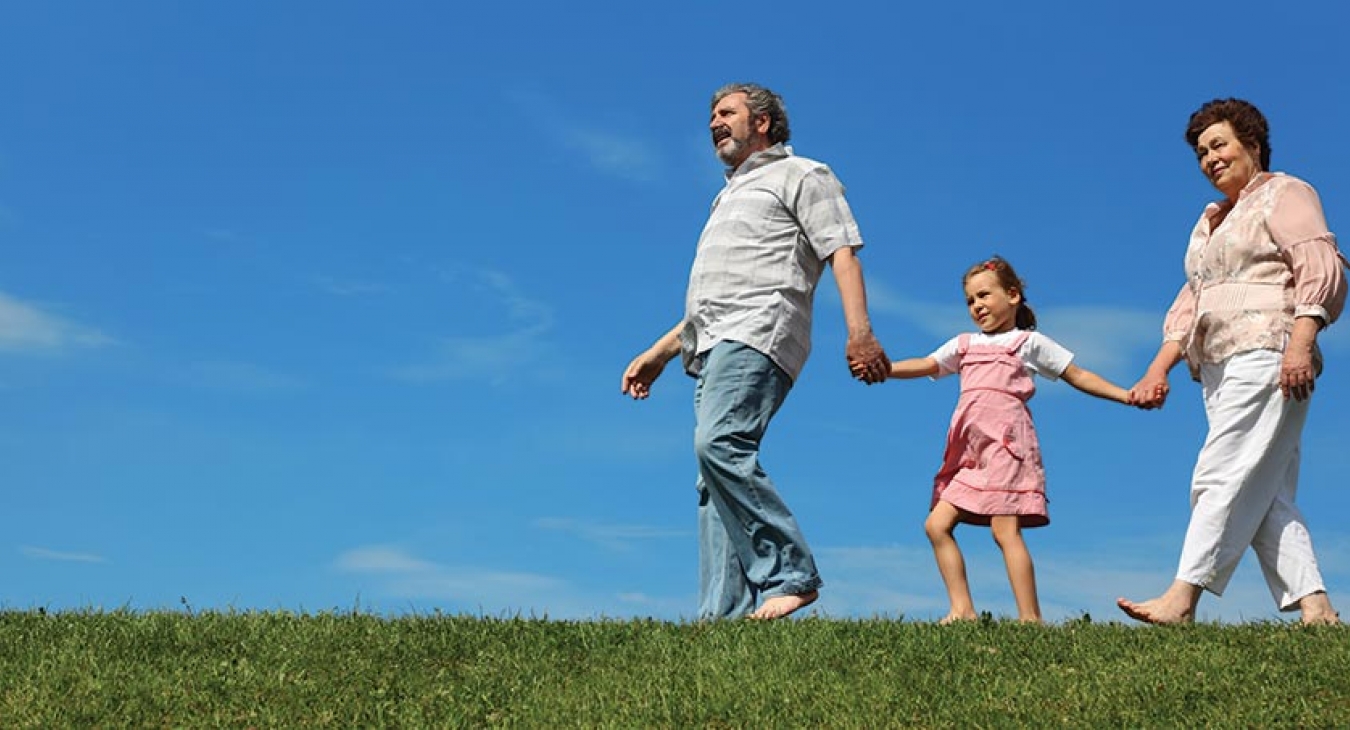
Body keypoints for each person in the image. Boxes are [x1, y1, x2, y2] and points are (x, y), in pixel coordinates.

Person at [621, 82, 890, 621]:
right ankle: (721, 618)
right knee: (714, 477)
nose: (714, 121)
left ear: (762, 122)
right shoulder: (727, 196)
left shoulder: (804, 175)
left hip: (760, 331)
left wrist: (860, 332)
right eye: (711, 114)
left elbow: (842, 253)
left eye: (727, 112)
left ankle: (792, 571)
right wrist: (660, 352)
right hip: (715, 340)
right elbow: (716, 300)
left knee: (719, 444)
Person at [1118, 98, 1347, 626]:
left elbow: (1319, 263)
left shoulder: (1286, 193)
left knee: (1218, 474)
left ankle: (1183, 597)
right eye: (1201, 152)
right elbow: (1192, 301)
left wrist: (1300, 341)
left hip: (1269, 348)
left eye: (1219, 144)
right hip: (1219, 364)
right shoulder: (1212, 222)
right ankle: (1317, 609)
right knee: (1262, 490)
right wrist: (1159, 367)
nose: (1209, 158)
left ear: (1253, 144)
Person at [878, 256, 1135, 623]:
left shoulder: (1027, 343)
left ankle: (1030, 619)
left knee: (1004, 529)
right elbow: (927, 364)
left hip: (1006, 447)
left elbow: (1077, 375)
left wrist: (1125, 395)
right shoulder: (964, 344)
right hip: (969, 454)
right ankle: (962, 609)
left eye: (984, 295)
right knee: (936, 525)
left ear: (1012, 295)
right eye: (970, 300)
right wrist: (884, 369)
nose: (977, 305)